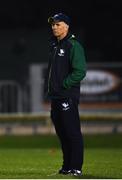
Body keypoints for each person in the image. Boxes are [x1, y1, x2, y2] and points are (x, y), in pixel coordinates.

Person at [45, 13, 86, 176]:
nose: (54, 27)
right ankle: (66, 167)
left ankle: (76, 167)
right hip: (56, 97)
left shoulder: (73, 45)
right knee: (62, 133)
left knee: (72, 132)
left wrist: (64, 85)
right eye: (53, 25)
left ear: (67, 26)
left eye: (58, 24)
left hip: (67, 95)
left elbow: (80, 71)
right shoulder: (54, 45)